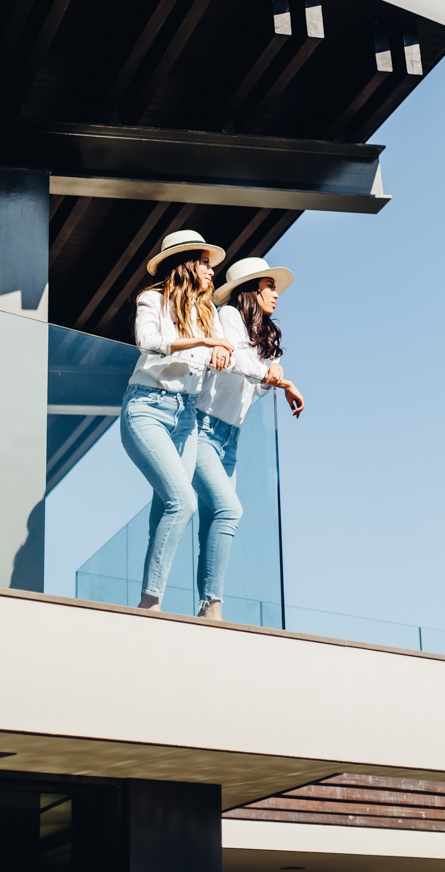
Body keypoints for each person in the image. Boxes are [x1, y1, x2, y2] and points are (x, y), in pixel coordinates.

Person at [121, 229, 233, 612]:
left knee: (166, 510)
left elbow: (225, 356)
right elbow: (147, 342)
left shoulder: (208, 312)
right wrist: (204, 344)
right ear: (185, 264)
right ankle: (150, 605)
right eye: (205, 263)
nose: (211, 271)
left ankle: (152, 599)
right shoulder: (151, 298)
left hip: (185, 418)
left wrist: (222, 355)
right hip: (146, 408)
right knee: (182, 501)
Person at [193, 256, 305, 621]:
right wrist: (280, 380)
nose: (276, 294)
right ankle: (213, 607)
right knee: (229, 510)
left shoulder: (258, 339)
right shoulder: (228, 316)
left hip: (230, 438)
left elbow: (247, 387)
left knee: (213, 520)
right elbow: (238, 362)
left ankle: (207, 605)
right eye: (270, 286)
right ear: (254, 289)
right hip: (203, 429)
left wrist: (270, 376)